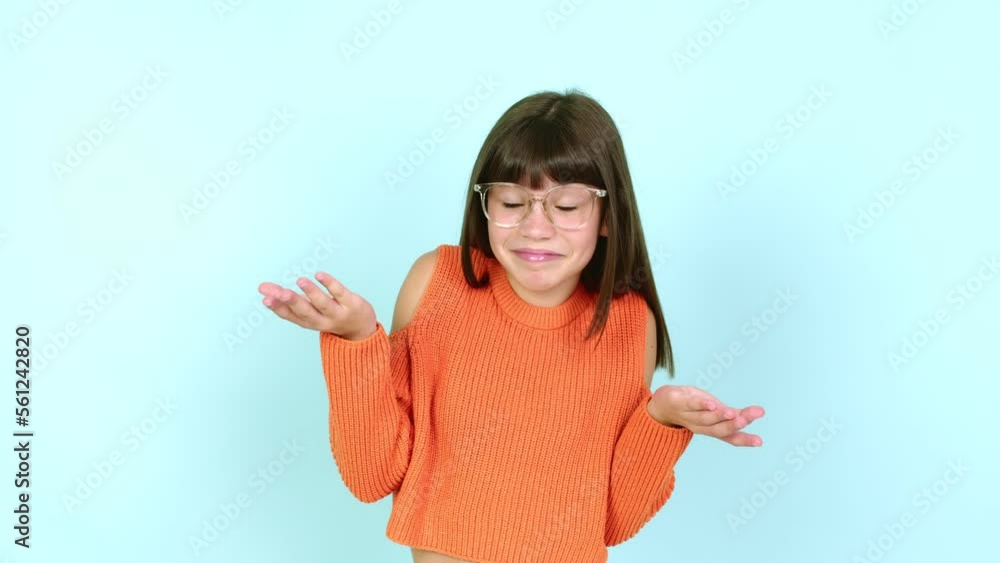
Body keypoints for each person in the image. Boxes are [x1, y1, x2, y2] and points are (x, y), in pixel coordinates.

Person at [258, 89, 765, 563]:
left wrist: (662, 419)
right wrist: (355, 340)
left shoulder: (630, 322)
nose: (535, 227)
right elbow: (372, 475)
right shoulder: (437, 284)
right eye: (512, 203)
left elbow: (612, 520)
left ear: (609, 216)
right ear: (485, 204)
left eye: (566, 206)